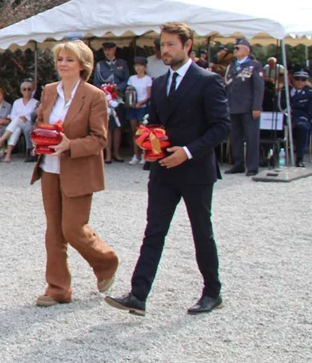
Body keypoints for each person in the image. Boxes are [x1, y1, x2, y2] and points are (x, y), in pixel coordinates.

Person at [107, 22, 230, 317]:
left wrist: (187, 152)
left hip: (196, 170)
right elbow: (157, 125)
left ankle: (212, 292)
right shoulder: (159, 83)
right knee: (154, 231)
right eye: (162, 45)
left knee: (202, 231)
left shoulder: (208, 80)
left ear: (187, 46)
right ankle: (138, 295)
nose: (164, 50)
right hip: (163, 170)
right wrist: (148, 141)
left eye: (170, 45)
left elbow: (222, 127)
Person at [29, 40, 117, 307]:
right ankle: (58, 288)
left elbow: (99, 139)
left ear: (82, 65)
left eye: (69, 59)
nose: (63, 64)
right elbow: (41, 121)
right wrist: (39, 137)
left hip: (78, 170)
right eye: (60, 59)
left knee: (72, 229)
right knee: (54, 231)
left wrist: (69, 145)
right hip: (49, 169)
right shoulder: (48, 91)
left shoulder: (94, 96)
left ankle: (106, 261)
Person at [224, 37, 265, 176]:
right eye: (234, 48)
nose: (234, 50)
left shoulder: (254, 65)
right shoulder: (232, 66)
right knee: (235, 137)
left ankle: (252, 166)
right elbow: (228, 86)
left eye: (237, 48)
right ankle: (238, 164)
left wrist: (257, 106)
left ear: (247, 50)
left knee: (251, 137)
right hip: (233, 106)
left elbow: (258, 87)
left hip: (248, 106)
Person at [94, 41, 130, 163]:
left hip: (118, 98)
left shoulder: (122, 63)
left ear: (114, 49)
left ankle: (117, 153)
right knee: (107, 127)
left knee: (118, 127)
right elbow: (96, 82)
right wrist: (104, 92)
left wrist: (118, 88)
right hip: (105, 99)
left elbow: (127, 79)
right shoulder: (100, 65)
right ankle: (108, 154)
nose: (108, 52)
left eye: (110, 49)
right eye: (105, 50)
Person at [0, 81, 38, 163]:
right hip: (17, 124)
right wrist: (19, 118)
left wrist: (25, 118)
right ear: (21, 91)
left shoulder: (35, 102)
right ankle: (8, 155)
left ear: (32, 90)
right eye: (24, 89)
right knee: (17, 128)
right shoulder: (17, 102)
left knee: (17, 121)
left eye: (29, 89)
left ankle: (1, 140)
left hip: (29, 124)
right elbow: (11, 115)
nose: (26, 91)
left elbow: (35, 116)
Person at [284, 69, 312, 168]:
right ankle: (270, 156)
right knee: (270, 127)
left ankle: (299, 158)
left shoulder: (310, 94)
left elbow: (310, 113)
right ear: (293, 79)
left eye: (303, 79)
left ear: (306, 81)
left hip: (300, 119)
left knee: (303, 128)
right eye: (297, 79)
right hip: (285, 118)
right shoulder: (285, 92)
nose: (300, 81)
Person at [126, 57, 153, 165]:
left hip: (143, 107)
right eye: (136, 65)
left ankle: (144, 154)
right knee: (134, 131)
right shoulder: (132, 78)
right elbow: (129, 92)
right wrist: (131, 103)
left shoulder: (148, 79)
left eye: (141, 65)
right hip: (133, 108)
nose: (138, 68)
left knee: (143, 132)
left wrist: (140, 103)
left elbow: (149, 95)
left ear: (145, 67)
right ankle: (135, 154)